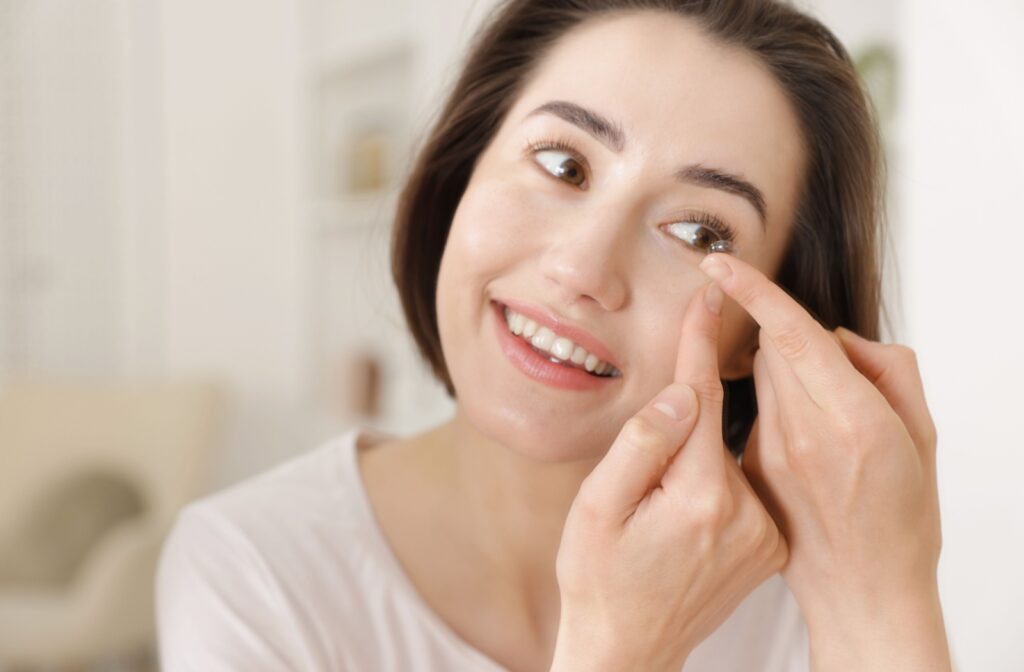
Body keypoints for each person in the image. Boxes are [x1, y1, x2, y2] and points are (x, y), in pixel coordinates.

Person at [157, 1, 952, 670]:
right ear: (461, 172)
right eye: (563, 166)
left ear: (765, 332)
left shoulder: (813, 581)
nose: (582, 269)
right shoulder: (253, 568)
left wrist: (884, 599)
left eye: (702, 233)